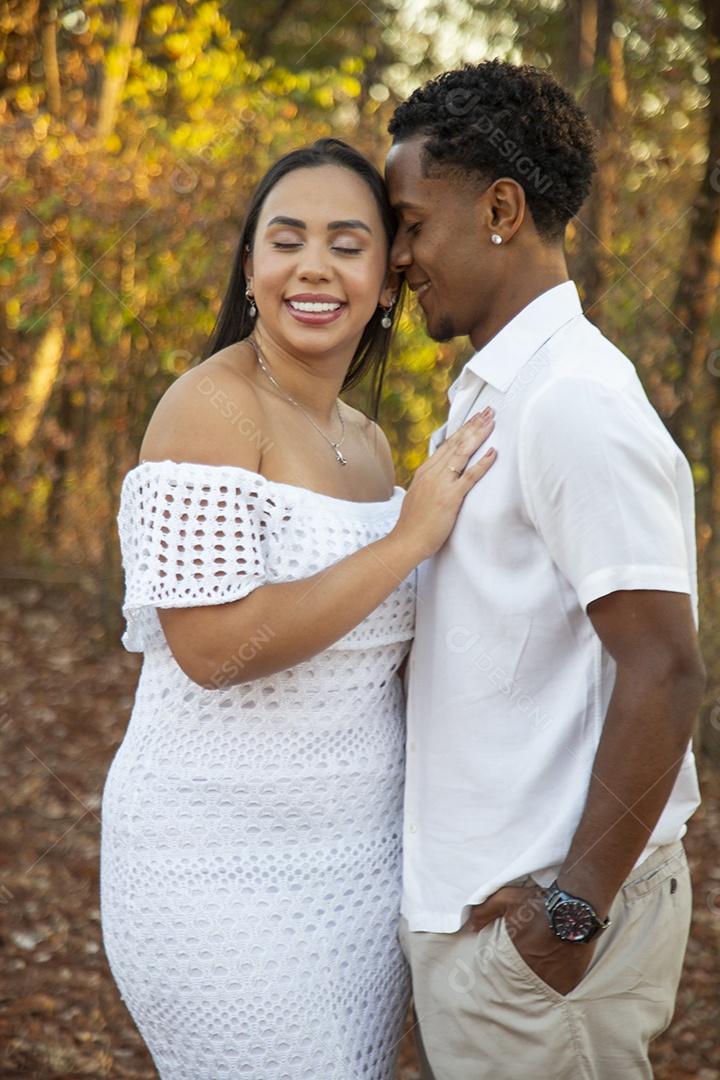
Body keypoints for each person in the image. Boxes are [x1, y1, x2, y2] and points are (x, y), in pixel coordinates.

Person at [100, 137, 496, 1080]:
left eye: (347, 243)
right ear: (251, 271)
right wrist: (410, 539)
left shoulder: (367, 441)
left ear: (388, 280)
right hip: (214, 866)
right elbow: (214, 647)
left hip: (356, 870)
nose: (313, 266)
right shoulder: (207, 407)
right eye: (286, 240)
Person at [385, 60, 706, 1079]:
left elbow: (664, 667)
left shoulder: (575, 401)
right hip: (488, 932)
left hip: (544, 950)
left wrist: (567, 921)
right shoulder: (498, 393)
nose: (397, 257)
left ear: (501, 210)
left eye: (410, 224)